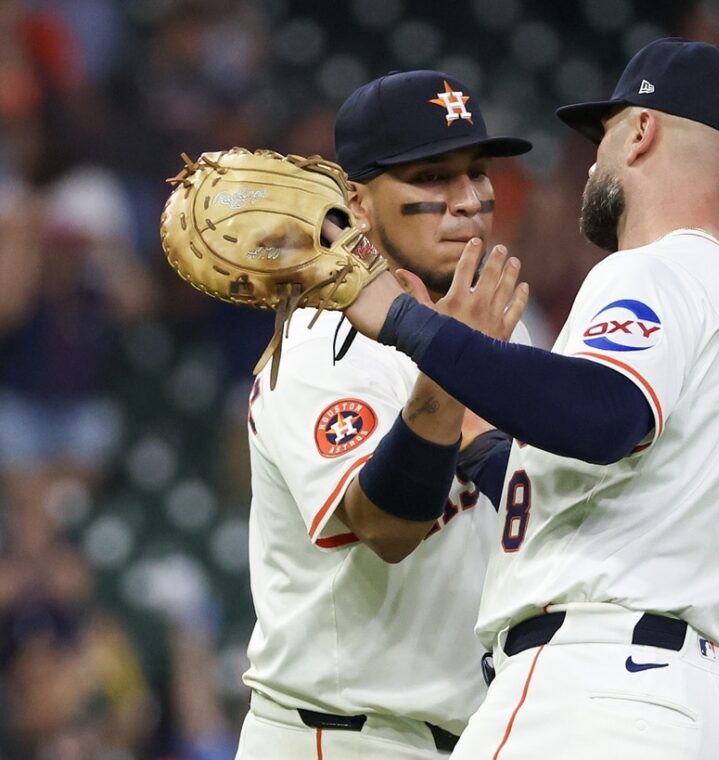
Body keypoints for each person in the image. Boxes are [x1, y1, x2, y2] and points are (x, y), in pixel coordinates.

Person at [344, 39, 719, 759]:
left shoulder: (652, 271)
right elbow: (606, 496)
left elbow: (604, 417)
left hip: (596, 692)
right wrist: (488, 444)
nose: (593, 160)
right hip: (710, 707)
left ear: (642, 132)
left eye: (605, 135)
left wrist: (405, 322)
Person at [235, 70, 531, 759]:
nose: (468, 201)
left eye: (477, 173)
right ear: (359, 204)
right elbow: (386, 524)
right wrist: (454, 371)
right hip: (338, 736)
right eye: (431, 178)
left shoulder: (499, 322)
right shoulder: (323, 342)